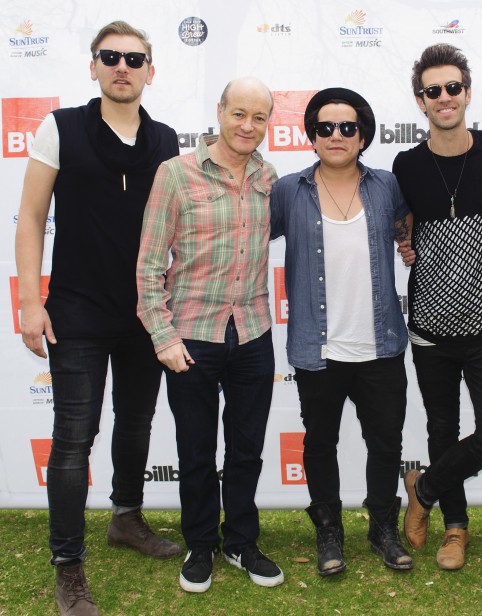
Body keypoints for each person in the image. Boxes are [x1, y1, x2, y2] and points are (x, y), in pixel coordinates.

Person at [14, 20, 181, 616]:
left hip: (144, 311)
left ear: (150, 72)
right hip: (76, 311)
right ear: (93, 67)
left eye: (134, 60)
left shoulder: (165, 141)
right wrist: (30, 303)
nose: (122, 67)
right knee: (72, 440)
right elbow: (31, 218)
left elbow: (178, 229)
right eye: (110, 57)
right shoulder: (61, 127)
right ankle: (68, 567)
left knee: (135, 425)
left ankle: (126, 518)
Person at [136, 77, 284, 593]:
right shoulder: (175, 174)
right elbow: (150, 264)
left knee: (247, 449)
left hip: (253, 333)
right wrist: (163, 336)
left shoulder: (270, 177)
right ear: (219, 112)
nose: (248, 125)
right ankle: (201, 542)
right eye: (238, 113)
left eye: (259, 117)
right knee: (196, 450)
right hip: (191, 336)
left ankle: (242, 541)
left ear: (269, 122)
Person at [270, 87, 414, 576]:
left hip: (381, 345)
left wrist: (409, 243)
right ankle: (328, 529)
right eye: (325, 127)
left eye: (347, 127)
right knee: (319, 443)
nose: (336, 135)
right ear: (311, 134)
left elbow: (408, 229)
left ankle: (382, 527)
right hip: (318, 348)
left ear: (363, 134)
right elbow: (245, 232)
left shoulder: (386, 186)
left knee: (386, 443)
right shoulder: (288, 190)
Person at [393, 43, 482, 571]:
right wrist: (406, 239)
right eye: (432, 91)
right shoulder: (406, 164)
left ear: (466, 93)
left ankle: (422, 489)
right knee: (441, 430)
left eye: (452, 87)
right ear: (419, 100)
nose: (443, 98)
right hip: (431, 329)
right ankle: (455, 527)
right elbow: (402, 224)